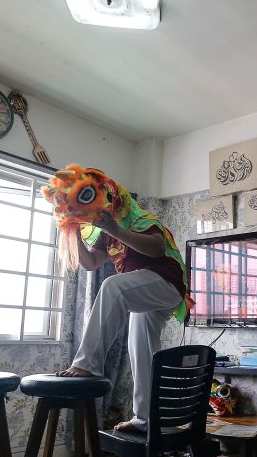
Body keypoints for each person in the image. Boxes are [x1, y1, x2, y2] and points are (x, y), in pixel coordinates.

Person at [48, 167, 191, 432]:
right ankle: (145, 420)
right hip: (143, 290)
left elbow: (157, 247)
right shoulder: (105, 232)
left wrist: (115, 229)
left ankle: (87, 364)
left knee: (112, 286)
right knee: (141, 351)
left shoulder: (139, 218)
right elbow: (91, 263)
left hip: (166, 283)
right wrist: (73, 230)